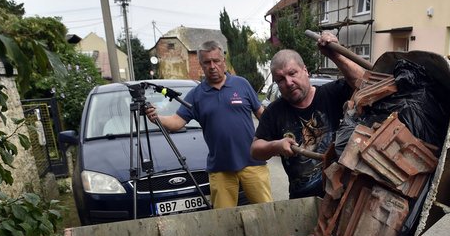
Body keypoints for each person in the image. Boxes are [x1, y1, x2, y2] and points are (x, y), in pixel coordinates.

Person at [146, 40, 271, 209]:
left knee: (267, 212)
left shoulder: (242, 84)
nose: (212, 66)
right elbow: (176, 122)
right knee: (223, 221)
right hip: (220, 169)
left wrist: (272, 141)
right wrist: (157, 117)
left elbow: (263, 116)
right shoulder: (196, 95)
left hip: (253, 162)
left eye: (216, 61)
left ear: (223, 61)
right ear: (201, 65)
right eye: (207, 62)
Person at [251, 31, 366, 198]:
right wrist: (276, 145)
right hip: (303, 200)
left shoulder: (331, 93)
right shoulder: (274, 112)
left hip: (342, 193)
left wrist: (335, 54)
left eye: (292, 73)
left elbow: (364, 82)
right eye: (281, 79)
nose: (288, 83)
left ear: (305, 70)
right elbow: (255, 150)